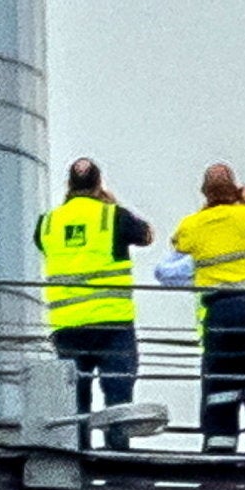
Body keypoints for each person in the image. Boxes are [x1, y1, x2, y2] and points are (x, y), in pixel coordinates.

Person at [159, 164, 245, 448]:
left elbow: (165, 271)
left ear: (204, 194)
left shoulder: (191, 226)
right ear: (236, 189)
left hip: (218, 315)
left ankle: (220, 453)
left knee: (220, 385)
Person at [33, 158, 149, 425]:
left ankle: (79, 452)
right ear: (99, 184)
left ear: (69, 185)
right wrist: (110, 203)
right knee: (118, 396)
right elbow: (147, 235)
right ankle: (118, 451)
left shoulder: (48, 223)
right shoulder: (112, 216)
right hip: (112, 323)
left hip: (67, 326)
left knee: (76, 400)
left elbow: (47, 245)